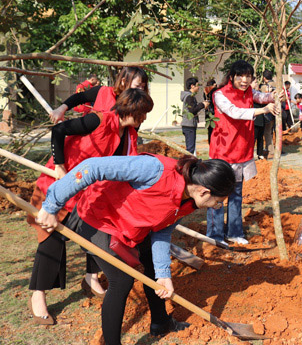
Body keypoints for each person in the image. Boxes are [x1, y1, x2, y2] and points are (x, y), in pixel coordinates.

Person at [35, 154, 235, 344]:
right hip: (98, 218)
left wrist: (163, 274)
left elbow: (162, 231)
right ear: (204, 191)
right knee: (121, 280)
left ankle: (160, 322)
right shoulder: (154, 170)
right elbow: (92, 167)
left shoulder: (188, 201)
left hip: (132, 225)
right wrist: (51, 205)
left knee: (152, 265)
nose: (216, 207)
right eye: (218, 202)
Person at [28, 89, 154, 325]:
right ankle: (38, 296)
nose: (145, 118)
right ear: (133, 110)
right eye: (144, 113)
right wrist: (59, 165)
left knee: (102, 231)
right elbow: (59, 130)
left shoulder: (128, 135)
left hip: (90, 195)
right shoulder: (99, 119)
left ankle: (91, 278)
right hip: (60, 185)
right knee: (51, 238)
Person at [208, 60, 281, 244]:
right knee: (217, 195)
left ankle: (234, 232)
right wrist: (262, 110)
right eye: (240, 76)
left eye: (248, 76)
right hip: (223, 151)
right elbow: (235, 112)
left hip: (241, 150)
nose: (244, 80)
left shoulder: (249, 92)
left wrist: (273, 96)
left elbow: (261, 97)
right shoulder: (219, 95)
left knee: (236, 193)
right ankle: (215, 235)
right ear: (231, 77)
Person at [50, 67, 149, 123]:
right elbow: (79, 97)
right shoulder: (104, 92)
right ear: (124, 81)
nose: (141, 90)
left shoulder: (138, 104)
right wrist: (60, 110)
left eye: (143, 86)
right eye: (137, 85)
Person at [180, 77, 210, 155]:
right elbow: (192, 110)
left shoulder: (190, 96)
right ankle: (187, 165)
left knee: (191, 148)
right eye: (197, 85)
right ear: (192, 86)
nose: (198, 87)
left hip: (189, 125)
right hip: (189, 126)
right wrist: (202, 104)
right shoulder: (189, 97)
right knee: (190, 149)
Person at [203, 79, 217, 144]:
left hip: (207, 113)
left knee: (210, 130)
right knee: (214, 130)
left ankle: (210, 143)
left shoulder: (205, 91)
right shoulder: (213, 91)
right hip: (213, 113)